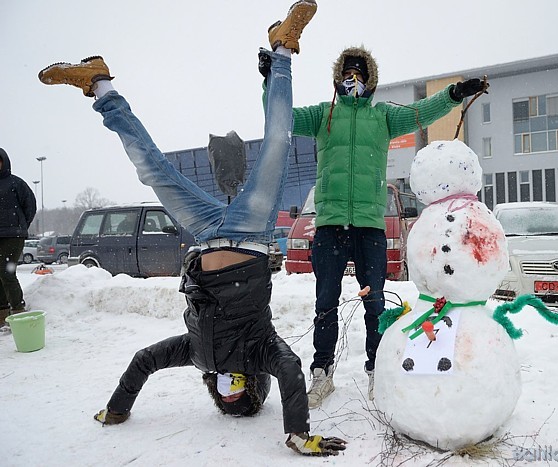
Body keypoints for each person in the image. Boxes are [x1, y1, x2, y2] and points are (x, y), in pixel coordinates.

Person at [38, 0, 345, 456]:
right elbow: (291, 367)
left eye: (224, 394)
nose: (228, 387)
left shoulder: (194, 351)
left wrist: (117, 409)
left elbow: (143, 361)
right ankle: (283, 48)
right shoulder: (262, 350)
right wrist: (298, 433)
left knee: (152, 169)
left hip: (203, 232)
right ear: (252, 385)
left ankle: (99, 84)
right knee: (279, 141)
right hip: (253, 231)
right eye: (238, 390)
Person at [260, 45, 488, 408]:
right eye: (347, 73)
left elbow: (421, 113)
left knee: (376, 305)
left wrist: (453, 94)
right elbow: (279, 116)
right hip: (331, 226)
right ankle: (322, 373)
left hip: (369, 226)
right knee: (325, 304)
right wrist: (271, 79)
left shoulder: (382, 118)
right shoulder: (323, 116)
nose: (353, 79)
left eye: (359, 74)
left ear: (369, 81)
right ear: (338, 78)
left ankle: (376, 371)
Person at [0, 148, 37, 330]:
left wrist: (20, 226)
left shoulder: (16, 183)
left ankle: (18, 309)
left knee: (6, 272)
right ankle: (2, 313)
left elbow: (30, 206)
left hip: (13, 236)